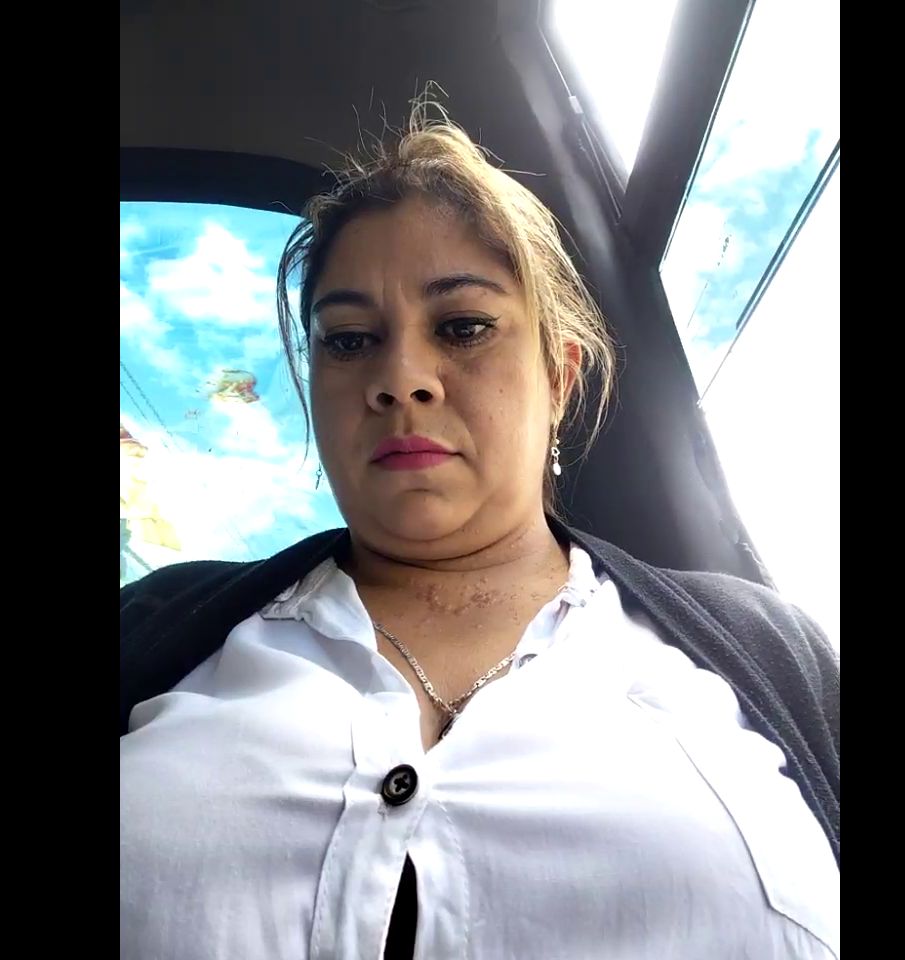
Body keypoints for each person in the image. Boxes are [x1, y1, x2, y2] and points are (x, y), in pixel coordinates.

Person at [120, 108, 839, 960]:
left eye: (462, 328)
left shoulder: (764, 651)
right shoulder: (157, 625)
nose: (400, 380)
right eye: (349, 341)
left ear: (559, 377)